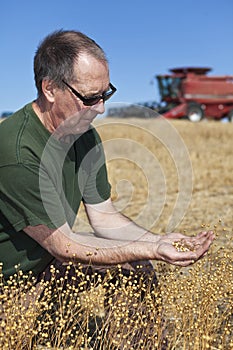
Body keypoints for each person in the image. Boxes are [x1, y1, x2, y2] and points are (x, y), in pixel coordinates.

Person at [0, 30, 214, 285]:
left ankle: (140, 327)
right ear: (50, 89)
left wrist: (160, 240)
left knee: (135, 267)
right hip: (12, 285)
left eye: (106, 94)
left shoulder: (84, 137)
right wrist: (152, 250)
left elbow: (103, 216)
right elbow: (63, 244)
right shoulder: (17, 151)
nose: (101, 108)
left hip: (47, 263)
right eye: (90, 98)